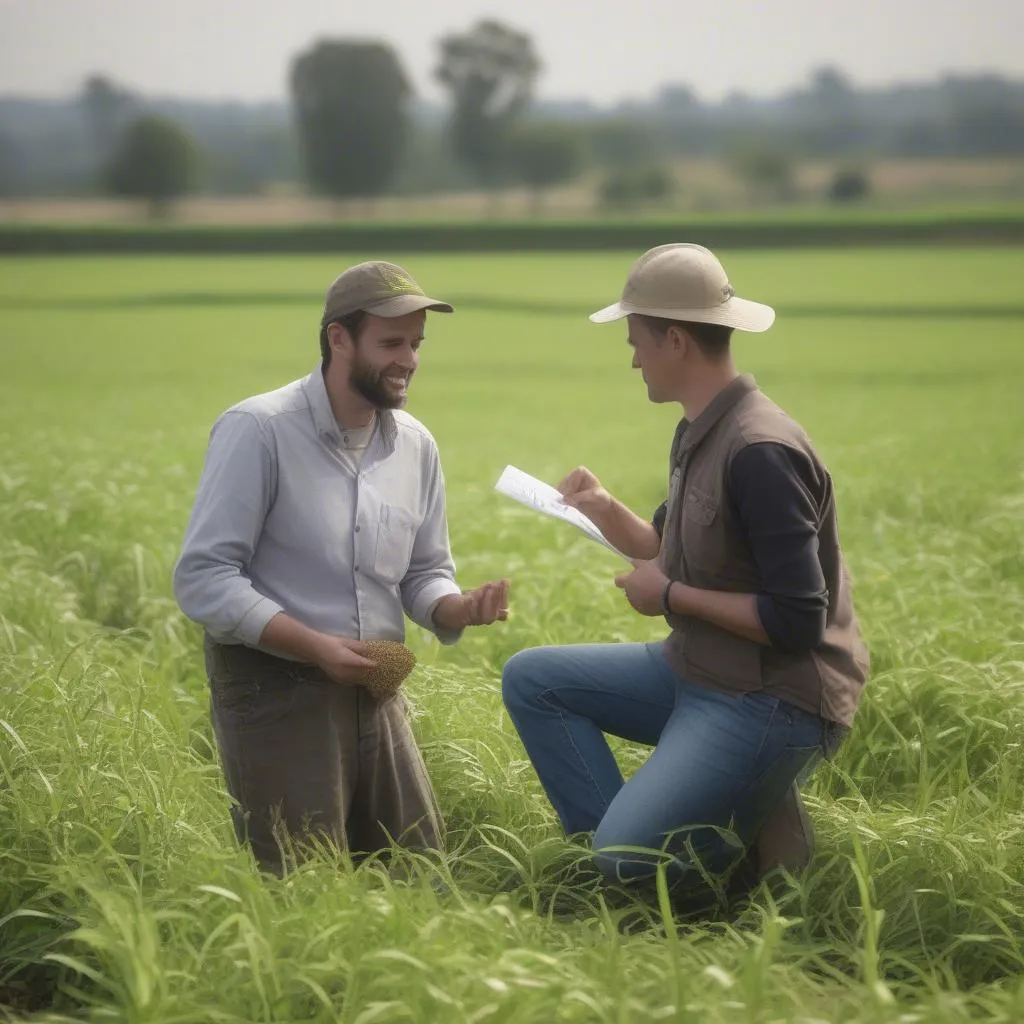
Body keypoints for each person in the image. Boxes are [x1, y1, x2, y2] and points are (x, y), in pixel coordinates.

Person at [501, 243, 869, 906]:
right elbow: (664, 542)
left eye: (636, 339)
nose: (633, 355)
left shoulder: (761, 450)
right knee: (534, 680)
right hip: (701, 668)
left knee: (624, 854)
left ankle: (682, 880)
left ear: (675, 340)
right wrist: (606, 510)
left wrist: (667, 594)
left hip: (771, 696)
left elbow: (796, 620)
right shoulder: (702, 428)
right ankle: (634, 876)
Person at [174, 260, 510, 876]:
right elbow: (204, 577)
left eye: (415, 344)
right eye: (391, 343)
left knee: (417, 874)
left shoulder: (415, 445)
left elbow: (422, 572)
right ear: (338, 339)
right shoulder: (260, 431)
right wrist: (314, 647)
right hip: (274, 688)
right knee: (302, 885)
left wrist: (456, 607)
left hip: (375, 690)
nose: (408, 358)